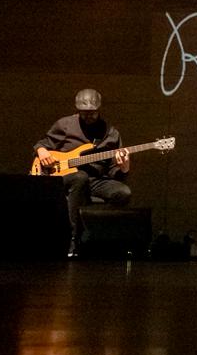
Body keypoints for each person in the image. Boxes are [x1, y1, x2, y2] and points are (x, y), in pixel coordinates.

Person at [35, 88, 132, 254]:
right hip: (65, 177)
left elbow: (114, 173)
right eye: (84, 112)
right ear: (78, 110)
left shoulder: (111, 134)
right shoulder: (65, 125)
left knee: (123, 193)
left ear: (99, 110)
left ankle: (98, 234)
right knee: (80, 176)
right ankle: (72, 238)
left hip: (96, 180)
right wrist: (42, 151)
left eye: (92, 113)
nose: (88, 116)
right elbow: (42, 144)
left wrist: (124, 167)